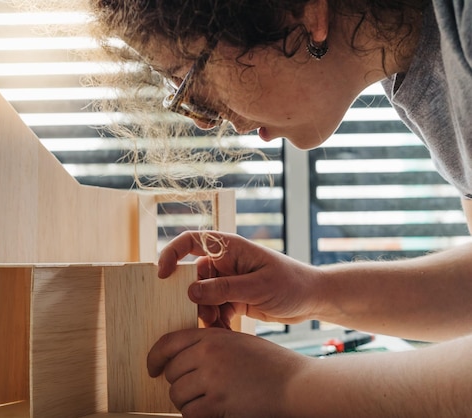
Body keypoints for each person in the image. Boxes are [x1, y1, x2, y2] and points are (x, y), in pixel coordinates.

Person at [87, 0, 472, 416]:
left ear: (307, 14)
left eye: (192, 80)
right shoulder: (418, 69)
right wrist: (312, 291)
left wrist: (293, 388)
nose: (203, 119)